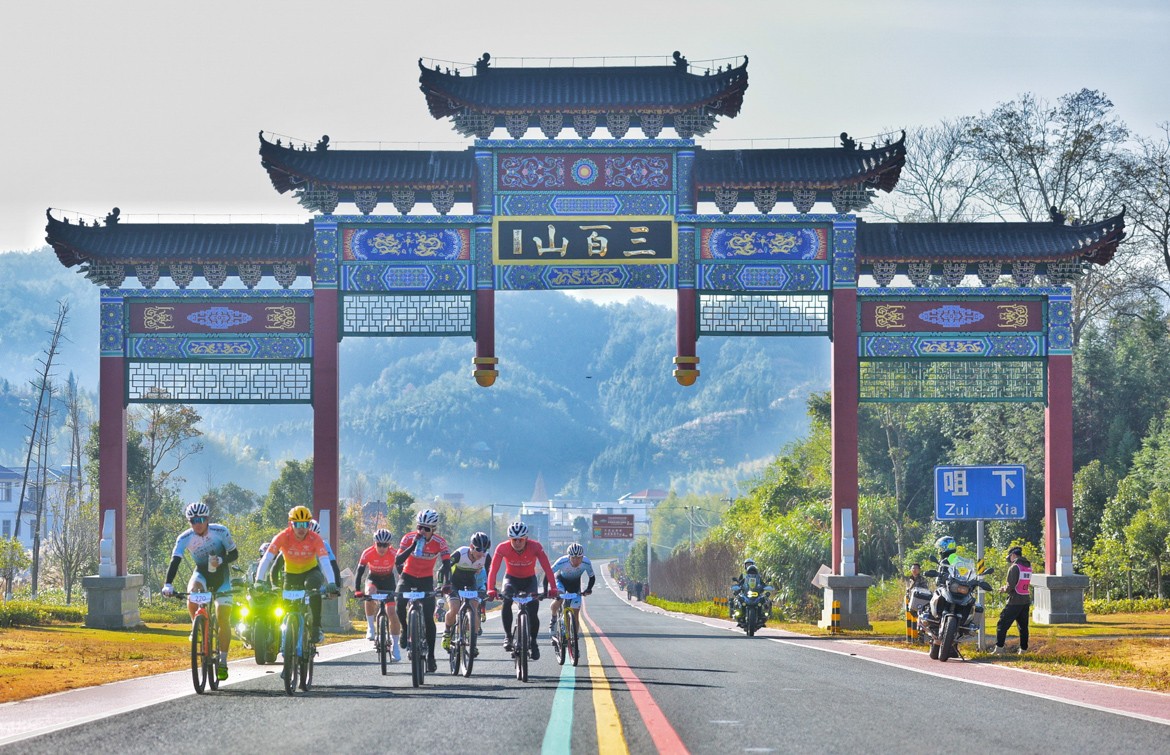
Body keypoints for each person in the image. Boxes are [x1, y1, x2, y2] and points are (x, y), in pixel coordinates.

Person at [162, 502, 240, 680]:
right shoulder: (184, 538)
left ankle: (223, 661)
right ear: (189, 522)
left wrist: (222, 560)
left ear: (208, 519)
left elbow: (234, 554)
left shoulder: (220, 531)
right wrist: (168, 584)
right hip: (202, 574)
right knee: (192, 592)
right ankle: (196, 626)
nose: (198, 524)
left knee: (223, 617)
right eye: (193, 520)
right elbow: (175, 561)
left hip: (222, 577)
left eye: (201, 520)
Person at [254, 505, 339, 645]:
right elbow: (267, 559)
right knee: (284, 606)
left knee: (313, 589)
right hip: (291, 575)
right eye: (297, 524)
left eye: (305, 524)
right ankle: (280, 635)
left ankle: (316, 627)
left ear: (309, 525)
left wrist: (331, 582)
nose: (301, 529)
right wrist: (259, 580)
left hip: (311, 572)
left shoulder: (315, 538)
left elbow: (325, 562)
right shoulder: (282, 536)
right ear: (290, 524)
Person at [486, 521, 557, 661]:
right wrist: (490, 589)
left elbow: (547, 568)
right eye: (514, 540)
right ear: (509, 539)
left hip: (529, 580)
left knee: (533, 610)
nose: (517, 543)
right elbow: (493, 570)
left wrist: (553, 588)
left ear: (526, 539)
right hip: (511, 580)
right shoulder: (502, 548)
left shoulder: (535, 546)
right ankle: (508, 636)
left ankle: (533, 642)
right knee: (506, 601)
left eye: (521, 540)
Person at [394, 509, 451, 673]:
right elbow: (397, 560)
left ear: (433, 529)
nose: (422, 531)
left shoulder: (440, 542)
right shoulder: (408, 538)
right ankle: (405, 629)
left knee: (428, 618)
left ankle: (431, 656)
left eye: (426, 529)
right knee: (399, 603)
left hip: (426, 580)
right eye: (419, 527)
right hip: (407, 576)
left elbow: (447, 564)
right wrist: (413, 545)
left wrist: (447, 583)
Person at [442, 531, 492, 655]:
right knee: (455, 608)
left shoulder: (486, 557)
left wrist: (489, 589)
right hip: (454, 583)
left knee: (474, 609)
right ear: (471, 547)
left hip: (470, 584)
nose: (481, 553)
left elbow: (490, 574)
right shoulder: (461, 553)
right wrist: (443, 584)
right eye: (478, 549)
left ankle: (472, 642)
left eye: (484, 550)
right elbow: (445, 567)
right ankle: (447, 632)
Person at [355, 528, 401, 660]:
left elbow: (401, 572)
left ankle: (395, 646)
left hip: (388, 581)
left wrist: (402, 587)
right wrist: (357, 590)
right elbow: (359, 573)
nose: (382, 548)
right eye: (379, 544)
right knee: (369, 594)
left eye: (385, 545)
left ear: (389, 545)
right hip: (373, 579)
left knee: (391, 612)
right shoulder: (367, 553)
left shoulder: (394, 553)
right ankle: (370, 627)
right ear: (375, 543)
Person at [546, 542, 595, 640]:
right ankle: (554, 617)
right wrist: (549, 589)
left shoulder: (586, 562)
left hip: (575, 586)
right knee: (559, 599)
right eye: (573, 558)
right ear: (569, 557)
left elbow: (592, 577)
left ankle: (574, 639)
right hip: (561, 582)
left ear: (582, 557)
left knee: (575, 613)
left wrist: (589, 589)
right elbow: (549, 573)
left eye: (578, 558)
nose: (576, 561)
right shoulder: (562, 561)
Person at [992, 546, 1032, 655]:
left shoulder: (1014, 567)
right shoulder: (1028, 566)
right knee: (1023, 627)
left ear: (1013, 555)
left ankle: (999, 648)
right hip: (1025, 600)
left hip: (1014, 601)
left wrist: (1003, 589)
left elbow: (1010, 586)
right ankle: (1023, 650)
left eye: (1009, 556)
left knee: (1002, 624)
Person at [730, 559, 765, 624]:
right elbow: (740, 583)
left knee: (763, 600)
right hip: (746, 592)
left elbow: (762, 583)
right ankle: (737, 613)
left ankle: (762, 615)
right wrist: (738, 587)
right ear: (745, 566)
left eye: (750, 564)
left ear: (753, 565)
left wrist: (763, 587)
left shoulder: (758, 576)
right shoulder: (743, 575)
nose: (749, 566)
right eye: (747, 564)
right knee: (737, 599)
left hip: (756, 593)